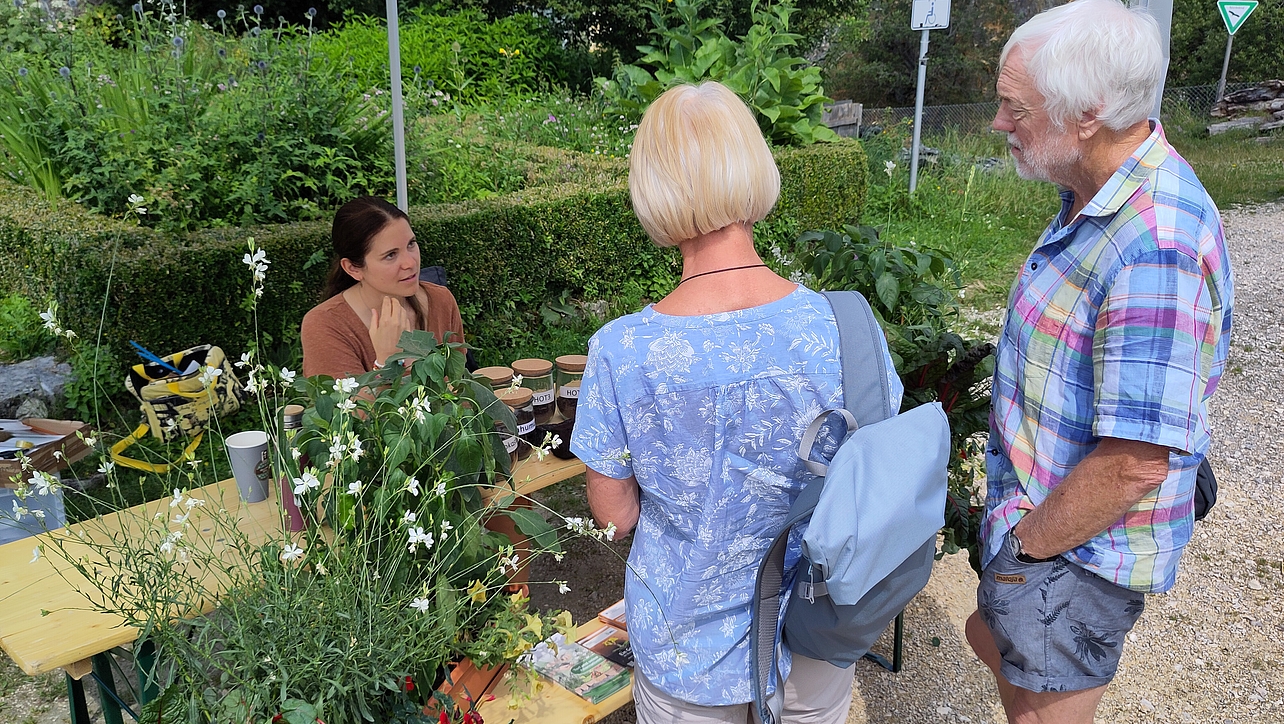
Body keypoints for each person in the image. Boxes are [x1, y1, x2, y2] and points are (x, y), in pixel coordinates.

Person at [570, 81, 903, 723]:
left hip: (682, 640)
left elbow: (612, 515)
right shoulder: (843, 326)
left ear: (654, 190)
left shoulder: (623, 350)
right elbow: (876, 469)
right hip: (816, 626)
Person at [964, 1, 1234, 722]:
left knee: (1037, 710)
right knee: (993, 646)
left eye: (1013, 106)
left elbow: (1136, 461)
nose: (999, 123)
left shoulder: (1154, 243)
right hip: (1043, 528)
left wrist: (1023, 549)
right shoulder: (1092, 196)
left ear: (1087, 113)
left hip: (1072, 552)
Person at [301, 196, 465, 379]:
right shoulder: (325, 325)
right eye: (390, 255)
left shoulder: (440, 300)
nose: (410, 263)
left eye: (411, 244)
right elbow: (344, 406)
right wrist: (387, 361)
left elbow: (460, 387)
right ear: (353, 268)